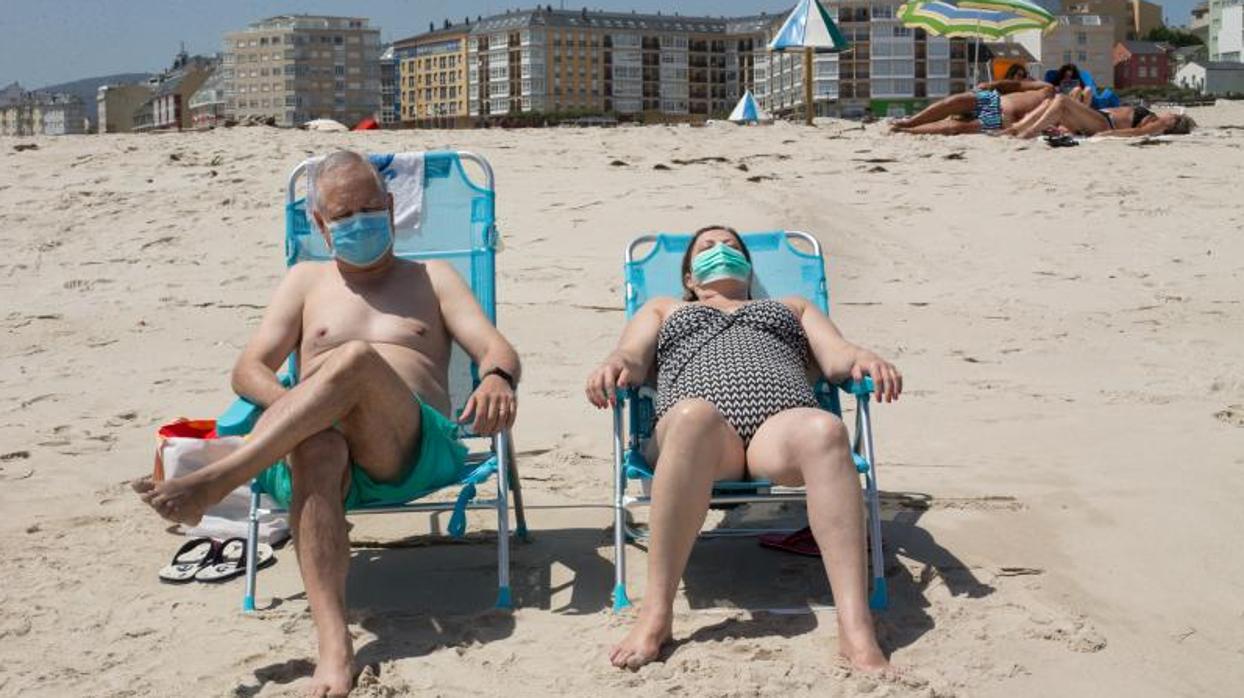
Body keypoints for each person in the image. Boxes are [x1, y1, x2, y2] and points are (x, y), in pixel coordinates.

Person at [133, 150, 521, 697]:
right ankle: (334, 646)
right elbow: (248, 369)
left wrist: (497, 377)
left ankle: (221, 478)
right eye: (343, 215)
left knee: (357, 359)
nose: (358, 220)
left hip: (408, 448)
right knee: (318, 445)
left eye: (369, 207)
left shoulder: (433, 277)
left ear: (391, 207)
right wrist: (304, 411)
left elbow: (494, 346)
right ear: (320, 224)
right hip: (318, 449)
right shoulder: (304, 281)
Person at [585, 226, 903, 672]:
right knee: (695, 416)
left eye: (732, 247)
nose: (721, 252)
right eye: (708, 248)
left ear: (749, 268)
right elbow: (631, 358)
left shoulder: (792, 306)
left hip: (777, 433)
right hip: (700, 438)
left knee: (825, 429)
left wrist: (862, 357)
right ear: (691, 279)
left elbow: (837, 358)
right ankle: (655, 616)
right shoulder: (664, 308)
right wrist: (614, 364)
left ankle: (856, 630)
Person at [890, 77, 1053, 135]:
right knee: (953, 102)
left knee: (955, 127)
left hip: (1006, 117)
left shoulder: (1061, 109)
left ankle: (909, 130)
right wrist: (991, 84)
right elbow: (1016, 85)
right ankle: (911, 122)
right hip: (995, 100)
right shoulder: (1047, 87)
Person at [1010, 93, 1196, 139]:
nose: (1171, 112)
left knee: (1062, 99)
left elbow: (1136, 133)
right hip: (1098, 118)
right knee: (1049, 103)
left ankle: (1030, 132)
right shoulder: (1158, 119)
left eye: (1175, 114)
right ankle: (1014, 129)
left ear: (1174, 121)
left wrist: (1108, 135)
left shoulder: (1161, 123)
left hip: (1104, 124)